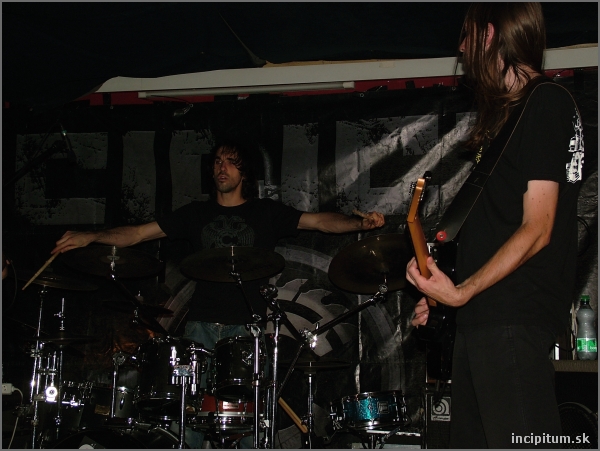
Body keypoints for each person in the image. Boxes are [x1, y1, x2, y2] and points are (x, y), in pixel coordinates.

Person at [52, 139, 385, 447]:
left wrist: (358, 224)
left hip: (248, 332)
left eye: (230, 162)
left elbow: (319, 222)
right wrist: (92, 237)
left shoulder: (266, 213)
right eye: (216, 161)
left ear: (244, 172)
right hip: (199, 329)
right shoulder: (194, 214)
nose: (220, 167)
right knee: (189, 421)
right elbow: (138, 234)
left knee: (250, 425)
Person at [407, 3, 584, 449]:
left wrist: (463, 292)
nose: (461, 49)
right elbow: (496, 227)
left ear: (489, 35)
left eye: (466, 36)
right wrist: (446, 296)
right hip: (483, 318)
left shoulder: (546, 101)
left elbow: (538, 226)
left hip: (511, 317)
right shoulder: (512, 116)